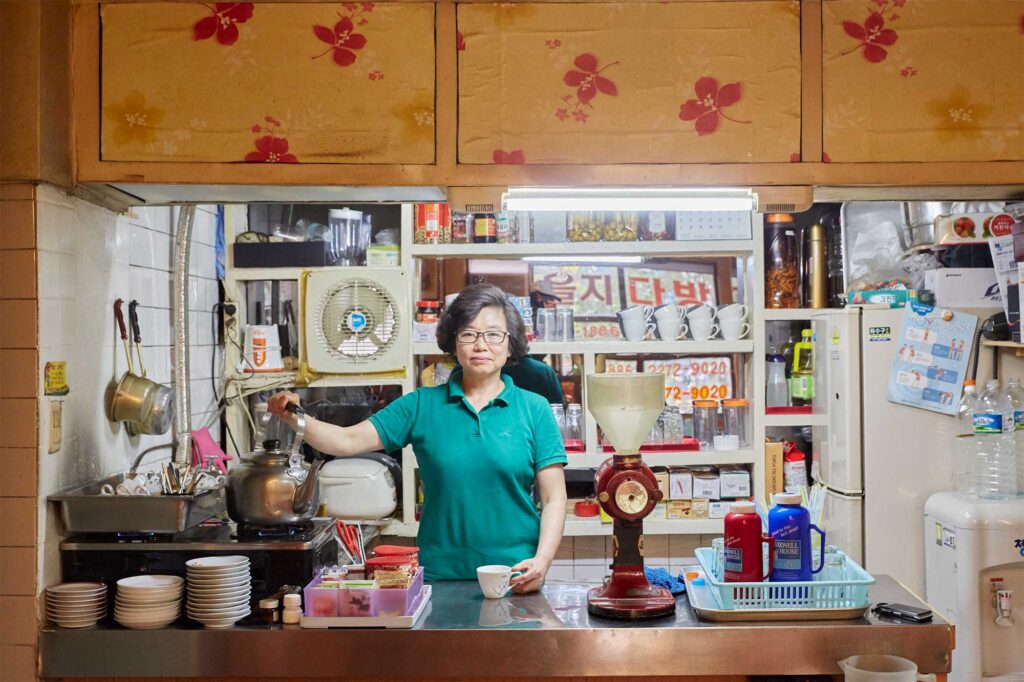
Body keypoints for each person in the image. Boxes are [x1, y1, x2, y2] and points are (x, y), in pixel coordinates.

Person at [268, 284, 567, 591]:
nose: (481, 345)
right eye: (468, 333)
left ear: (511, 343)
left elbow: (554, 497)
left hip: (516, 573)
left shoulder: (534, 408)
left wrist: (542, 561)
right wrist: (295, 416)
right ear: (453, 341)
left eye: (493, 334)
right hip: (440, 575)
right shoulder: (421, 404)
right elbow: (346, 441)